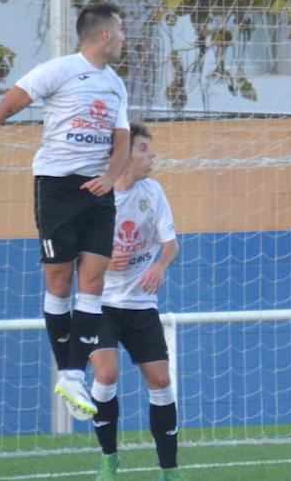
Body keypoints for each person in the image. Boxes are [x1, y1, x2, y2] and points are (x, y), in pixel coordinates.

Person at [0, 2, 129, 420]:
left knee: (95, 279)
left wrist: (111, 176)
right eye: (120, 31)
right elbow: (6, 107)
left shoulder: (117, 85)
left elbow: (120, 140)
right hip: (56, 187)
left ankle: (71, 374)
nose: (123, 39)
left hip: (98, 191)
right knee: (60, 279)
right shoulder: (59, 70)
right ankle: (67, 369)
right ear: (104, 35)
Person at [91, 122, 184, 481]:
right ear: (126, 153)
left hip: (141, 305)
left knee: (160, 381)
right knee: (107, 373)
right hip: (101, 304)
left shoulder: (154, 192)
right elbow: (77, 254)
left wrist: (160, 266)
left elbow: (171, 245)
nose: (152, 155)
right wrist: (101, 257)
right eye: (144, 148)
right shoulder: (98, 195)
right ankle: (109, 459)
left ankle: (169, 471)